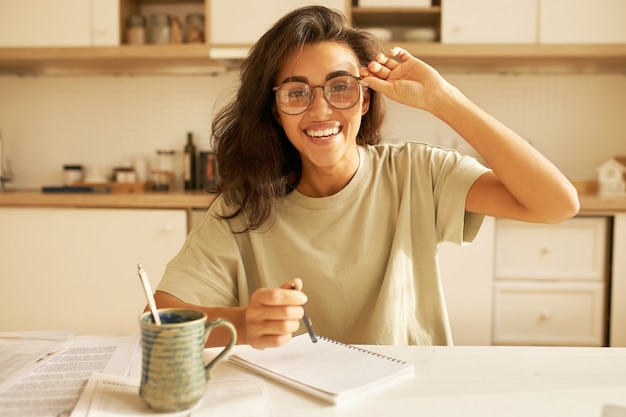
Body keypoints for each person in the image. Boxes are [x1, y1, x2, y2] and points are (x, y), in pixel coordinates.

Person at [153, 5, 579, 349]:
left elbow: (557, 204)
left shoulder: (418, 172)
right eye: (296, 93)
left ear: (364, 98)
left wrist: (443, 100)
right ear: (275, 112)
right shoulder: (244, 205)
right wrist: (243, 324)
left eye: (340, 86)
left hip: (410, 395)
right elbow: (159, 321)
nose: (320, 110)